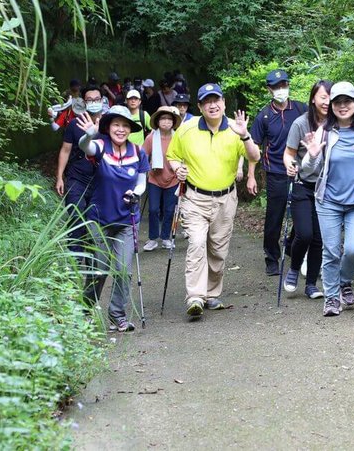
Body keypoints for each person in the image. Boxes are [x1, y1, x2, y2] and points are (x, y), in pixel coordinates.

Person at [167, 83, 260, 319]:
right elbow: (173, 156)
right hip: (195, 197)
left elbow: (254, 156)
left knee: (218, 250)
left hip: (226, 199)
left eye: (216, 99)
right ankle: (195, 297)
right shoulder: (186, 130)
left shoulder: (236, 129)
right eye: (206, 101)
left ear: (224, 103)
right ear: (199, 106)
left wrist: (245, 135)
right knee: (197, 243)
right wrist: (178, 169)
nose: (212, 105)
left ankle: (211, 293)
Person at [300, 81, 354, 317]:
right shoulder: (324, 131)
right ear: (331, 105)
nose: (343, 106)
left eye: (347, 101)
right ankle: (331, 298)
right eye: (338, 102)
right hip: (329, 201)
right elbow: (308, 170)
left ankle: (345, 282)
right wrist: (312, 156)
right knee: (331, 251)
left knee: (353, 250)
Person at [75, 105, 151, 333]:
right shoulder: (100, 146)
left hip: (127, 220)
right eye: (116, 124)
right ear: (108, 127)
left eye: (125, 125)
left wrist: (136, 194)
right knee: (99, 269)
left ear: (130, 129)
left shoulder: (138, 152)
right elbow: (85, 146)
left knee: (124, 271)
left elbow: (141, 182)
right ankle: (85, 309)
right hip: (99, 219)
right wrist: (89, 133)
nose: (121, 129)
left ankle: (117, 315)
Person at [247, 69, 307, 276]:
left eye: (284, 85)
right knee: (275, 217)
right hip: (275, 172)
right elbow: (254, 147)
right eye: (276, 86)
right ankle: (271, 257)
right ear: (269, 89)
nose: (281, 89)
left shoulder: (300, 109)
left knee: (303, 215)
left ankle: (291, 245)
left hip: (301, 170)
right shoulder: (264, 115)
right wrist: (251, 175)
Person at [282, 80, 331, 299]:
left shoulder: (337, 124)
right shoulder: (301, 124)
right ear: (313, 98)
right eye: (323, 97)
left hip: (327, 188)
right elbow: (289, 153)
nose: (327, 102)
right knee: (304, 234)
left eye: (331, 97)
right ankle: (293, 269)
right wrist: (289, 166)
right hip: (303, 185)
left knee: (320, 239)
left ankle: (311, 284)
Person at [54, 85, 104, 263]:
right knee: (76, 214)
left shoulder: (109, 125)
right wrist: (60, 177)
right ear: (83, 102)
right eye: (89, 100)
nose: (93, 103)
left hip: (100, 180)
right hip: (76, 177)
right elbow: (65, 150)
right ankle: (75, 258)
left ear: (102, 101)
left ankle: (92, 257)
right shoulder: (74, 124)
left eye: (96, 99)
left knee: (94, 219)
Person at [141, 106, 182, 251]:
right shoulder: (151, 137)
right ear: (158, 122)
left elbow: (184, 156)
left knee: (170, 210)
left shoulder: (178, 137)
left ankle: (165, 237)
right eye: (163, 119)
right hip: (154, 179)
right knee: (153, 210)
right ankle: (152, 238)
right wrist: (145, 169)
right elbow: (143, 155)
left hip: (173, 178)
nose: (166, 122)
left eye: (169, 119)